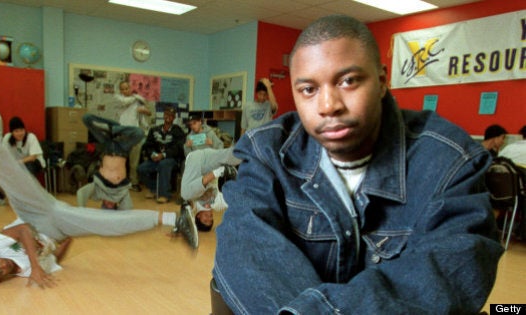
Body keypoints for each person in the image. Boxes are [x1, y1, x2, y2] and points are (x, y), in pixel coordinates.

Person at [213, 15, 503, 314]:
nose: (328, 105)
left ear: (381, 81)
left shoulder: (449, 160)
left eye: (348, 81)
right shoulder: (266, 150)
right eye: (308, 90)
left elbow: (450, 269)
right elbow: (246, 247)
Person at [0, 117, 197, 287]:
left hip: (34, 214)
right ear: (2, 279)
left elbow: (23, 230)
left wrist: (36, 268)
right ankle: (176, 219)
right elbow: (54, 258)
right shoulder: (24, 272)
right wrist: (69, 237)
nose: (2, 266)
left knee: (12, 180)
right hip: (60, 228)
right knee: (110, 225)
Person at [76, 113, 145, 210]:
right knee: (140, 133)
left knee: (86, 118)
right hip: (122, 149)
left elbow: (81, 193)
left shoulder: (98, 191)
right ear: (116, 205)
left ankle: (111, 127)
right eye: (111, 205)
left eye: (106, 204)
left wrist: (81, 213)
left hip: (107, 147)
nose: (109, 202)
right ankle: (115, 129)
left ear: (102, 202)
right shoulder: (121, 195)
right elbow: (128, 212)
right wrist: (116, 129)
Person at [0, 117, 46, 207]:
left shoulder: (31, 137)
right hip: (16, 164)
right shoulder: (7, 138)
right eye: (16, 131)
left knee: (27, 169)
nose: (20, 133)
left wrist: (19, 162)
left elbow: (33, 157)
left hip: (34, 162)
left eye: (21, 130)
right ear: (12, 132)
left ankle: (28, 198)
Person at [180, 147, 240, 232]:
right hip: (211, 161)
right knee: (238, 156)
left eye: (205, 220)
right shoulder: (217, 204)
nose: (209, 217)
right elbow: (237, 201)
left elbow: (185, 217)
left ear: (198, 217)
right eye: (211, 219)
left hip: (196, 163)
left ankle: (220, 171)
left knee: (185, 194)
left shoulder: (194, 207)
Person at [137, 107, 186, 203]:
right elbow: (148, 145)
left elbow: (178, 148)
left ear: (174, 118)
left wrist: (163, 155)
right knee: (141, 169)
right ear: (164, 115)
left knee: (163, 164)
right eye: (167, 114)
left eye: (171, 116)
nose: (168, 117)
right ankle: (154, 189)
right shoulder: (154, 130)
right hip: (155, 158)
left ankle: (164, 195)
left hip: (171, 159)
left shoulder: (178, 131)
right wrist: (152, 155)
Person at [116, 81, 152, 192]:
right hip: (122, 134)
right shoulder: (118, 99)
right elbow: (127, 101)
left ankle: (134, 182)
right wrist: (137, 97)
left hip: (135, 135)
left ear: (130, 88)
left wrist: (146, 112)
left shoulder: (136, 102)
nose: (125, 91)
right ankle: (118, 182)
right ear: (120, 90)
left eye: (127, 88)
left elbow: (143, 117)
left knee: (134, 161)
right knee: (120, 160)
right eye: (123, 89)